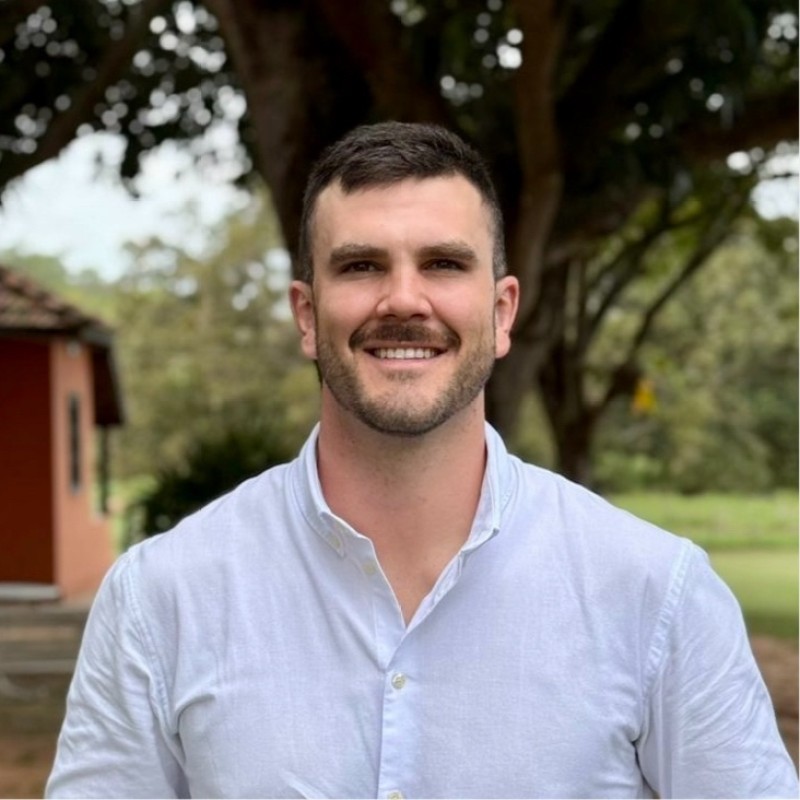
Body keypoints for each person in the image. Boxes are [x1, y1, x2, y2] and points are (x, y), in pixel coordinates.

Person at [47, 122, 797, 799]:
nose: (404, 300)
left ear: (501, 312)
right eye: (361, 266)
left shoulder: (656, 594)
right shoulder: (161, 599)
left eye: (442, 263)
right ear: (306, 315)